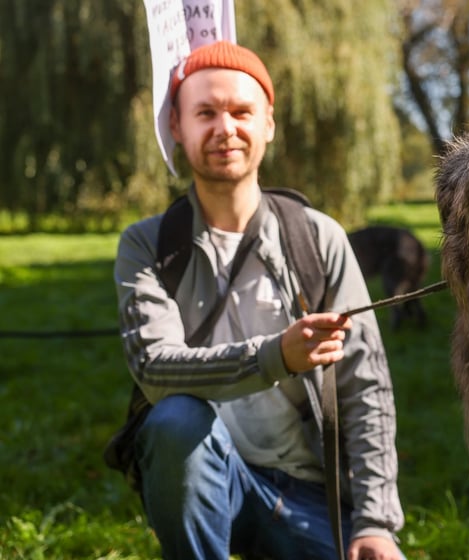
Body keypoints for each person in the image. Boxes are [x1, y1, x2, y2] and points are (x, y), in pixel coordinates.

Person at [113, 40, 405, 560]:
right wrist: (277, 357)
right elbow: (155, 367)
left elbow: (367, 384)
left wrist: (377, 522)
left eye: (241, 111)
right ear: (177, 127)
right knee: (175, 421)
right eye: (205, 112)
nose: (225, 128)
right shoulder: (147, 245)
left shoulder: (318, 238)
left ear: (268, 123)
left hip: (309, 492)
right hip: (210, 481)